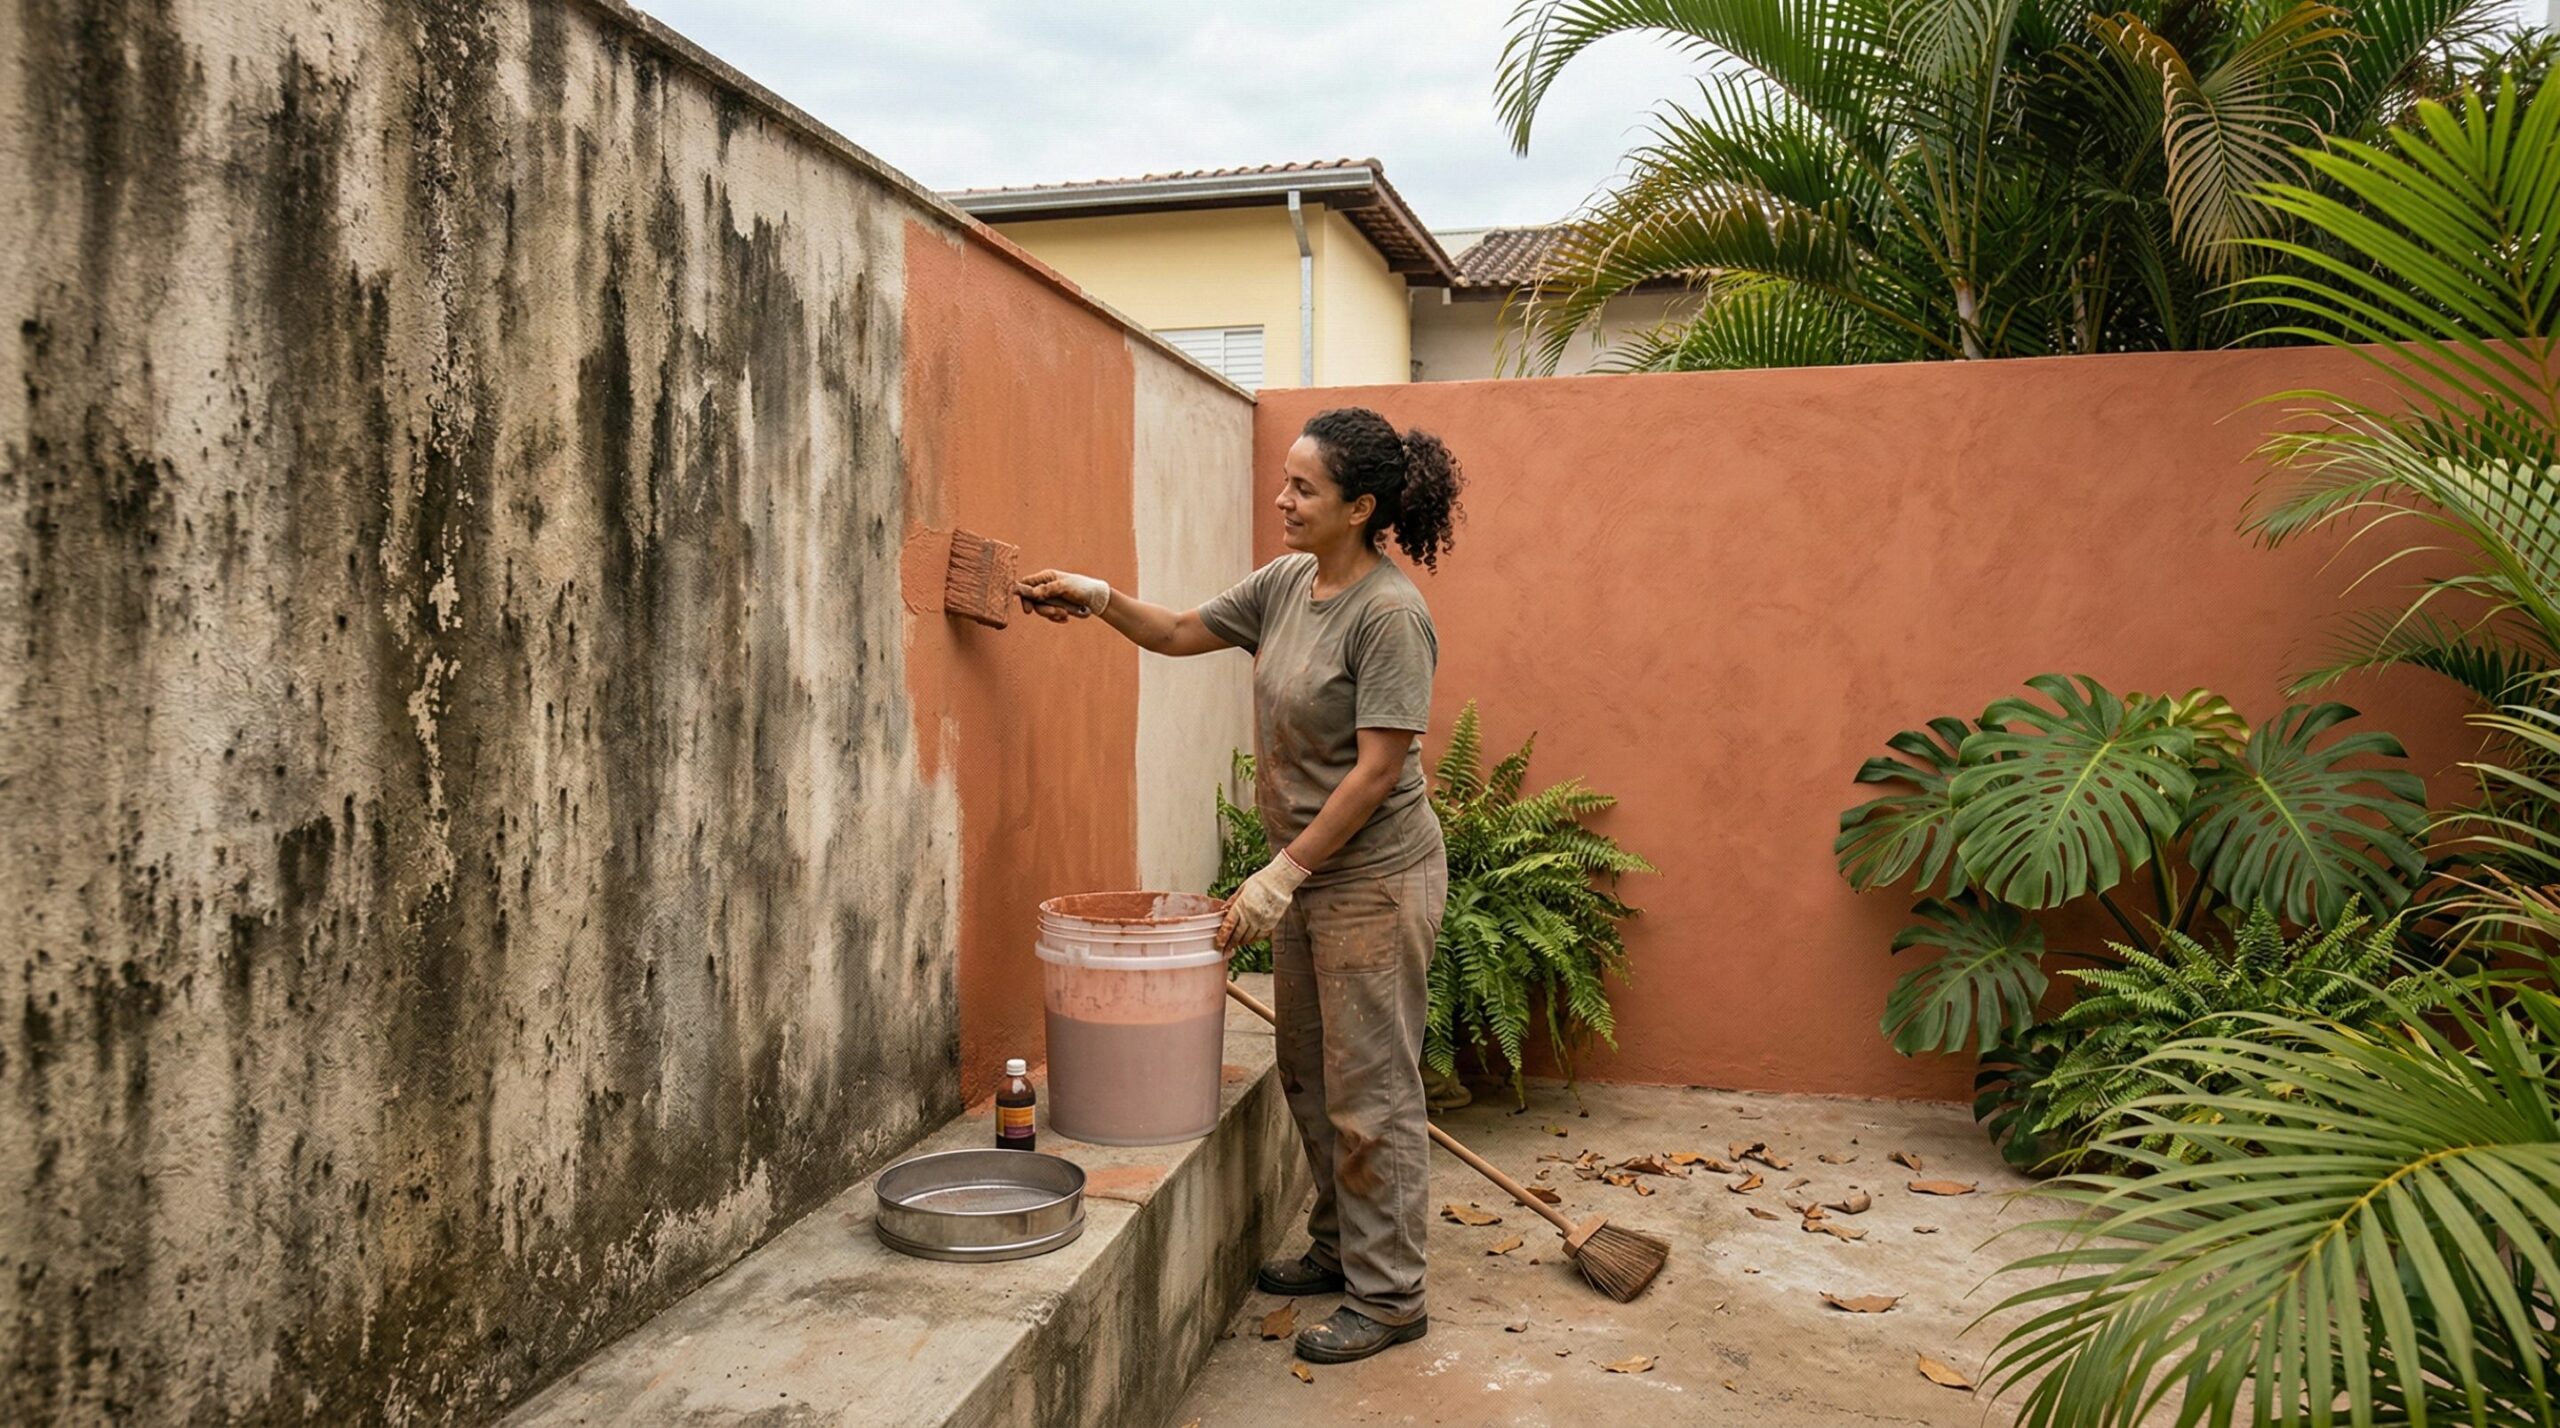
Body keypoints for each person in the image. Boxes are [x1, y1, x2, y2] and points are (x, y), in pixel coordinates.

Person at [1017, 406, 1464, 1364]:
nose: (1283, 498)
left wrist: (1282, 874)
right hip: (1302, 880)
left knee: (1371, 1094)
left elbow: (1379, 769)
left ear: (1362, 506)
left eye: (1304, 487)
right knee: (1309, 1075)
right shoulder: (1290, 583)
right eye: (1287, 480)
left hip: (1373, 882)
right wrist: (1099, 598)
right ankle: (1343, 1248)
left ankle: (1391, 1299)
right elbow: (1181, 630)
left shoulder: (1389, 614)